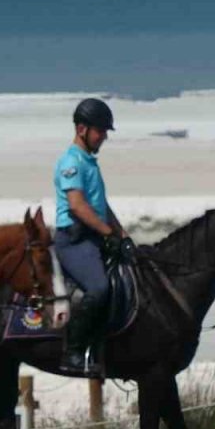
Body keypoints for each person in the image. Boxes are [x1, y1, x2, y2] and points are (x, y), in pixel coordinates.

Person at [53, 97, 135, 377]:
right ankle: (73, 351)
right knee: (99, 288)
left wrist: (122, 236)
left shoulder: (89, 162)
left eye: (105, 132)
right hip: (73, 240)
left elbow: (101, 206)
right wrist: (107, 232)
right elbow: (77, 206)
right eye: (100, 131)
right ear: (81, 130)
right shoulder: (71, 162)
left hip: (94, 237)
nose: (103, 137)